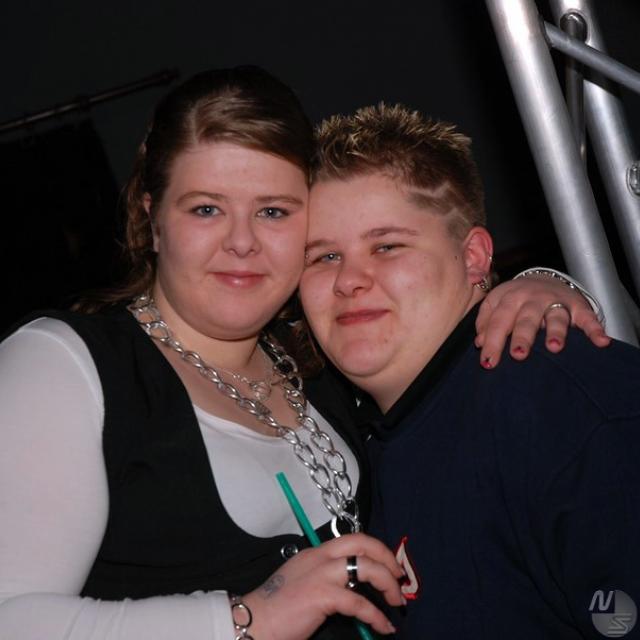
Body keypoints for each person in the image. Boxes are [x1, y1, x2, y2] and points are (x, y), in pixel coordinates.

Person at [0, 67, 606, 640]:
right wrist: (247, 618)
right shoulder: (64, 364)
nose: (242, 242)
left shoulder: (321, 359)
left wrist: (540, 285)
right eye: (206, 208)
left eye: (273, 211)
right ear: (152, 217)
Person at [299, 103, 640, 639]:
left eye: (386, 246)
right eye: (322, 257)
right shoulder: (355, 441)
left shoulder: (561, 407)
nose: (349, 280)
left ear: (475, 257)